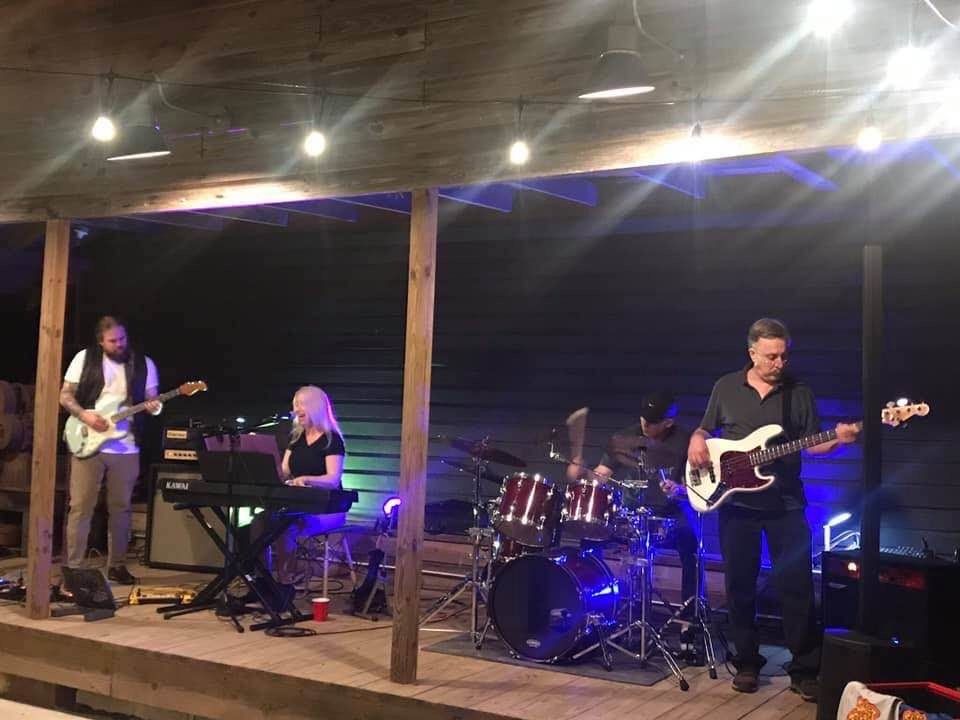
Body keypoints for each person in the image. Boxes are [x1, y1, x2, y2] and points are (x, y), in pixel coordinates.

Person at [687, 318, 860, 700]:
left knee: (797, 586)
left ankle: (805, 669)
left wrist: (838, 439)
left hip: (785, 503)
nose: (779, 363)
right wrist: (696, 440)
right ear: (752, 353)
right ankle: (747, 663)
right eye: (771, 356)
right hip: (736, 503)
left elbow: (812, 444)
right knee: (739, 586)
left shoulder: (799, 392)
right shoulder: (726, 386)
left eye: (783, 355)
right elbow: (704, 429)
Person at [567, 390, 699, 607]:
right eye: (643, 418)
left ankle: (690, 610)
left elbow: (696, 486)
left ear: (668, 422)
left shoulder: (686, 441)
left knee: (691, 542)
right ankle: (592, 602)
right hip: (631, 511)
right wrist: (582, 473)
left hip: (669, 511)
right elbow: (601, 476)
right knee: (590, 535)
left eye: (652, 422)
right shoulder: (624, 438)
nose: (645, 424)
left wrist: (680, 490)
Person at [59, 316, 162, 584]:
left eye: (122, 339)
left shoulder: (144, 364)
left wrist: (155, 406)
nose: (119, 344)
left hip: (126, 447)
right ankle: (74, 568)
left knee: (121, 508)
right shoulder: (84, 359)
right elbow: (65, 395)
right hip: (88, 442)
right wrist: (85, 416)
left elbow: (152, 400)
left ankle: (117, 565)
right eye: (113, 341)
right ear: (100, 341)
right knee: (81, 507)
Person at [260, 385, 347, 584]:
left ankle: (285, 580)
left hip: (326, 509)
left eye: (301, 405)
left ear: (315, 407)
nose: (296, 410)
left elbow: (333, 479)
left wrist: (306, 479)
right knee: (260, 522)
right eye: (295, 405)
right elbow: (284, 472)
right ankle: (261, 579)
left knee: (286, 525)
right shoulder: (296, 438)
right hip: (297, 505)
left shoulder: (332, 440)